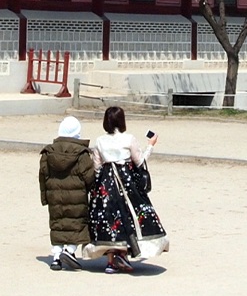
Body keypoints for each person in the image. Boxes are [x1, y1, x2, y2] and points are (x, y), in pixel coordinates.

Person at [86, 105, 169, 273]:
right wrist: (150, 146)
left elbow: (96, 167)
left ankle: (111, 261)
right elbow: (140, 162)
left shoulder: (100, 141)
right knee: (129, 215)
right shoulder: (129, 139)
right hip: (126, 183)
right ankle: (122, 254)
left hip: (106, 184)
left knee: (109, 219)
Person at [38, 115, 95, 271]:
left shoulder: (48, 152)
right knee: (77, 224)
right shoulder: (82, 154)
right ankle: (69, 250)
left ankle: (56, 257)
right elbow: (89, 176)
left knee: (57, 225)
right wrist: (92, 191)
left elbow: (43, 176)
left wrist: (45, 197)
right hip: (77, 197)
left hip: (55, 196)